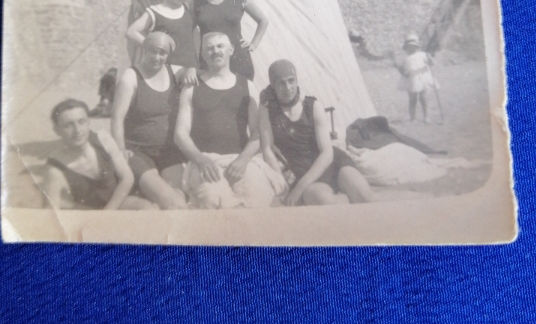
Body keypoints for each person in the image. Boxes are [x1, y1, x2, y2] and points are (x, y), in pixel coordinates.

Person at [174, 32, 286, 208]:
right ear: (203, 55)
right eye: (210, 48)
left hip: (240, 160)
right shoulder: (192, 87)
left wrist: (243, 160)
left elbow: (258, 130)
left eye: (220, 46)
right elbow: (180, 134)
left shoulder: (247, 85)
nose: (216, 51)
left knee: (259, 196)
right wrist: (201, 160)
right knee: (211, 198)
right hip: (206, 161)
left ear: (231, 50)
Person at [258, 59, 372, 205]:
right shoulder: (267, 109)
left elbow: (327, 152)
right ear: (273, 86)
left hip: (332, 162)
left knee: (367, 198)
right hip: (305, 173)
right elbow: (267, 148)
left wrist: (299, 188)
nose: (288, 87)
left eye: (291, 81)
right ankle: (349, 201)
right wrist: (283, 184)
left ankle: (409, 196)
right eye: (281, 83)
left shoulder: (312, 106)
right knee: (327, 203)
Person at [111, 31, 188, 209]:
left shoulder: (175, 71)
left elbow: (196, 72)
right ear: (144, 51)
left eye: (162, 53)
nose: (157, 57)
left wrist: (190, 69)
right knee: (173, 203)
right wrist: (120, 149)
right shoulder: (131, 77)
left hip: (168, 153)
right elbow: (116, 118)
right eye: (152, 51)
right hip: (137, 151)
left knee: (183, 197)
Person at [44, 98, 149, 210]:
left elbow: (127, 178)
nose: (77, 130)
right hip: (87, 215)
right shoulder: (55, 169)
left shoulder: (102, 139)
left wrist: (107, 212)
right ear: (57, 130)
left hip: (116, 203)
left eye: (81, 121)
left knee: (149, 209)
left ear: (88, 122)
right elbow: (51, 210)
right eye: (68, 125)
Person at [192, 0, 268, 80]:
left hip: (238, 60)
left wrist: (253, 44)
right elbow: (187, 31)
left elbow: (263, 20)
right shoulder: (196, 2)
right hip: (210, 60)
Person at [126, 0, 200, 86]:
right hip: (164, 70)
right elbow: (131, 32)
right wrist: (152, 46)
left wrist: (192, 67)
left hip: (187, 73)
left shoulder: (188, 10)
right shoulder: (156, 10)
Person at [396, 33, 437, 122]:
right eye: (409, 46)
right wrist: (403, 73)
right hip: (410, 79)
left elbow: (431, 64)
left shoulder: (422, 54)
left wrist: (430, 59)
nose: (411, 48)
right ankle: (412, 118)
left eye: (413, 46)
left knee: (423, 98)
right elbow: (399, 67)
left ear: (417, 46)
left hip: (423, 77)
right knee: (412, 99)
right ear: (406, 47)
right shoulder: (404, 56)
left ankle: (426, 117)